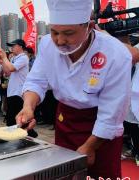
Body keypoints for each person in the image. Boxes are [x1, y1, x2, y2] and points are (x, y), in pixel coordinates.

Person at [16, 0, 132, 178]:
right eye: (54, 32)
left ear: (90, 27)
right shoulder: (47, 45)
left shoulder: (115, 54)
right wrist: (28, 107)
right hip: (66, 121)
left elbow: (112, 113)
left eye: (68, 33)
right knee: (64, 174)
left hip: (101, 133)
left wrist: (91, 146)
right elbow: (36, 81)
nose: (60, 40)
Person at [0, 39, 38, 137]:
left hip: (19, 92)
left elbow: (12, 68)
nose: (11, 48)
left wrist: (5, 58)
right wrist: (3, 62)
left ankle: (30, 135)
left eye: (13, 45)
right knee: (13, 119)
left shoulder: (23, 57)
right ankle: (25, 135)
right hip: (12, 91)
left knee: (18, 119)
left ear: (20, 47)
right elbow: (7, 73)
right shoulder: (13, 59)